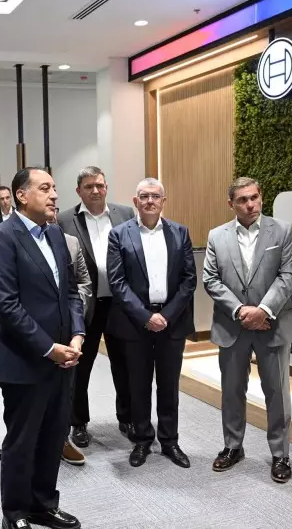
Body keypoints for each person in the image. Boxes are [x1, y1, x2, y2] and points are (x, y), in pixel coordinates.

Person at [0, 168, 85, 529]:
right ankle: (15, 513)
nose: (54, 195)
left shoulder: (55, 233)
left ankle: (43, 504)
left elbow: (71, 291)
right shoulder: (1, 238)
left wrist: (76, 334)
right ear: (22, 196)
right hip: (25, 360)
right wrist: (48, 348)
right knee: (23, 440)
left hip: (63, 358)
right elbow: (5, 306)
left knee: (53, 436)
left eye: (54, 188)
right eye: (45, 188)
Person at [203, 177, 292, 482]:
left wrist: (263, 310)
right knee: (232, 390)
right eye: (242, 200)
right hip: (232, 325)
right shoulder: (217, 236)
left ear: (261, 197)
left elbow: (288, 275)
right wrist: (241, 311)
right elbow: (210, 279)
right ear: (231, 203)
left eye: (254, 197)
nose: (250, 204)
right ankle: (233, 446)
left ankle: (280, 454)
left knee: (277, 392)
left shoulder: (282, 230)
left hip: (273, 323)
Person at [106, 178, 196, 468]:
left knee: (169, 386)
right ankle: (142, 440)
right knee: (138, 385)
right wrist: (146, 317)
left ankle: (170, 441)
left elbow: (189, 280)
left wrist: (166, 315)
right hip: (136, 324)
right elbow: (117, 282)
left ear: (163, 201)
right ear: (135, 201)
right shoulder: (119, 234)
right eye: (143, 196)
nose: (149, 201)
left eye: (155, 196)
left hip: (172, 322)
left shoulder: (180, 232)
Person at [57, 166, 135, 448]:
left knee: (124, 364)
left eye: (100, 185)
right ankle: (78, 422)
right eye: (89, 186)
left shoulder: (125, 214)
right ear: (79, 191)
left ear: (106, 187)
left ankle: (127, 417)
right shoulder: (64, 220)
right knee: (81, 366)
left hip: (120, 304)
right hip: (85, 305)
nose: (95, 191)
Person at [49, 207, 92, 466]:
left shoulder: (70, 242)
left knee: (66, 388)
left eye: (55, 208)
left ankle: (62, 439)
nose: (52, 210)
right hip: (37, 331)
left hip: (68, 328)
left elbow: (82, 283)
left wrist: (76, 325)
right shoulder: (11, 238)